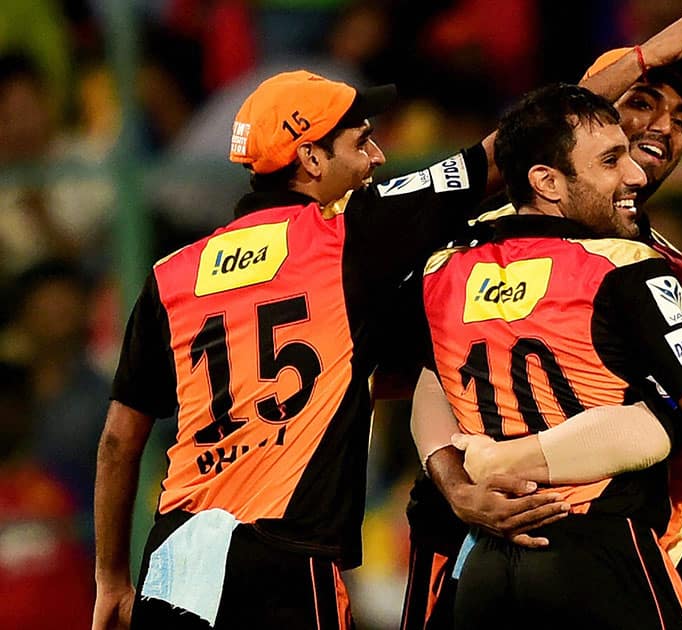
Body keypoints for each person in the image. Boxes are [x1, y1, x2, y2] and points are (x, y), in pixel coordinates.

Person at [93, 69, 540, 630]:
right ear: (311, 159)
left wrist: (111, 579)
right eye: (361, 141)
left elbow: (116, 442)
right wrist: (647, 58)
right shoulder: (348, 235)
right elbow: (513, 145)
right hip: (284, 559)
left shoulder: (171, 274)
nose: (377, 157)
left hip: (174, 565)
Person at [416, 82, 682, 630]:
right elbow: (432, 375)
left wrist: (494, 462)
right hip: (600, 563)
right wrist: (463, 476)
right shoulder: (641, 274)